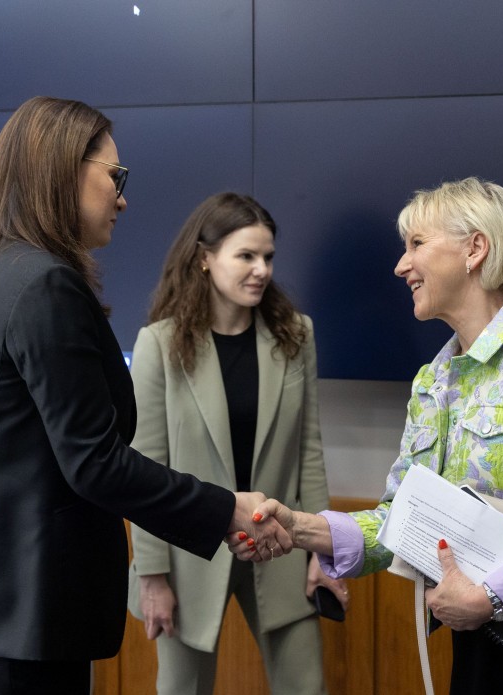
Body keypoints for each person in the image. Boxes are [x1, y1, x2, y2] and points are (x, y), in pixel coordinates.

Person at [0, 97, 289, 695]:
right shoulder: (45, 284)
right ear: (62, 169)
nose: (122, 199)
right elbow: (94, 461)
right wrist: (225, 510)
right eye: (114, 177)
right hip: (26, 615)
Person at [236, 178, 503, 694]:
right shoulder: (435, 378)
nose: (400, 266)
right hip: (478, 627)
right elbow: (400, 517)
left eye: (416, 244)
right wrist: (301, 528)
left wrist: (492, 597)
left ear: (475, 249)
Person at [126, 193, 348, 695]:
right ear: (205, 258)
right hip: (187, 552)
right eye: (245, 255)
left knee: (305, 687)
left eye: (268, 257)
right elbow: (146, 467)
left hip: (282, 542)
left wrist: (324, 549)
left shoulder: (296, 335)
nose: (261, 269)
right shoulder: (160, 344)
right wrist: (153, 575)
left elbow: (308, 451)